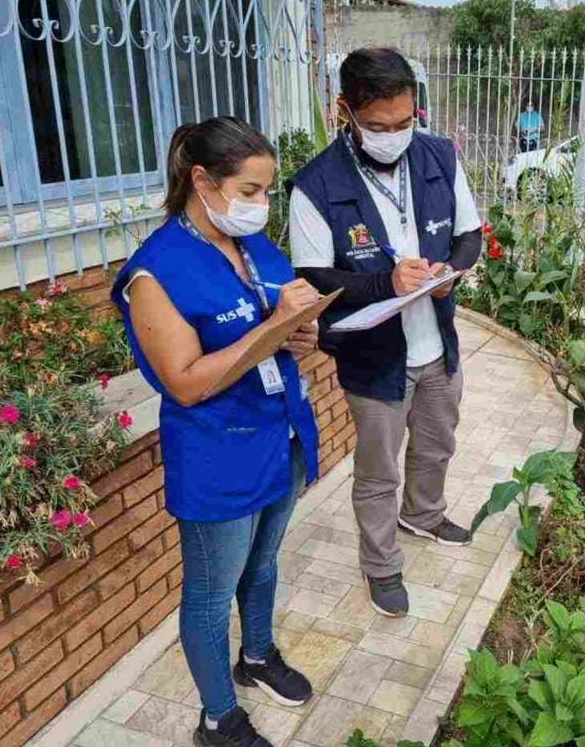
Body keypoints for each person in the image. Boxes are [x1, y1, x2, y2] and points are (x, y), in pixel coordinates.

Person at [111, 117, 321, 747]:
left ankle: (256, 655)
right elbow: (185, 382)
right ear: (201, 180)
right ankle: (218, 718)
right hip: (217, 454)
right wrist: (271, 331)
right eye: (250, 191)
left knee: (264, 563)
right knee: (210, 591)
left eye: (266, 193)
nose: (260, 206)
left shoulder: (252, 247)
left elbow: (277, 327)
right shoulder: (156, 273)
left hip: (279, 434)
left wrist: (300, 331)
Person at [288, 47, 483, 617]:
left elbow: (468, 234)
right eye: (377, 126)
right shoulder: (316, 186)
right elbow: (315, 278)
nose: (394, 135)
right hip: (375, 361)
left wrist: (450, 271)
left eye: (405, 122)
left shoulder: (439, 156)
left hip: (436, 344)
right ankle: (381, 565)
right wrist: (386, 283)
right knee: (378, 470)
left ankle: (423, 514)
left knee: (438, 443)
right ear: (343, 110)